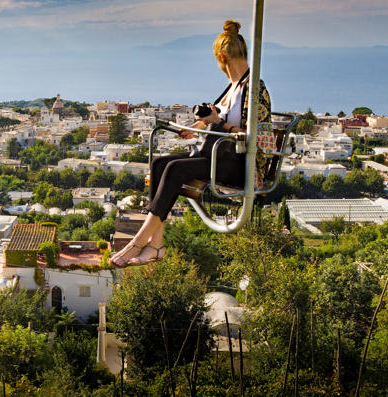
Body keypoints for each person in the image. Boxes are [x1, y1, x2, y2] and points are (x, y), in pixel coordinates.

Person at [109, 20, 271, 266]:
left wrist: (219, 123)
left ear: (222, 57)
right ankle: (157, 245)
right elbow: (219, 120)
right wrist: (198, 126)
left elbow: (253, 137)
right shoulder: (233, 87)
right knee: (160, 164)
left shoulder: (254, 88)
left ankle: (139, 241)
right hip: (219, 156)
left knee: (175, 169)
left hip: (240, 164)